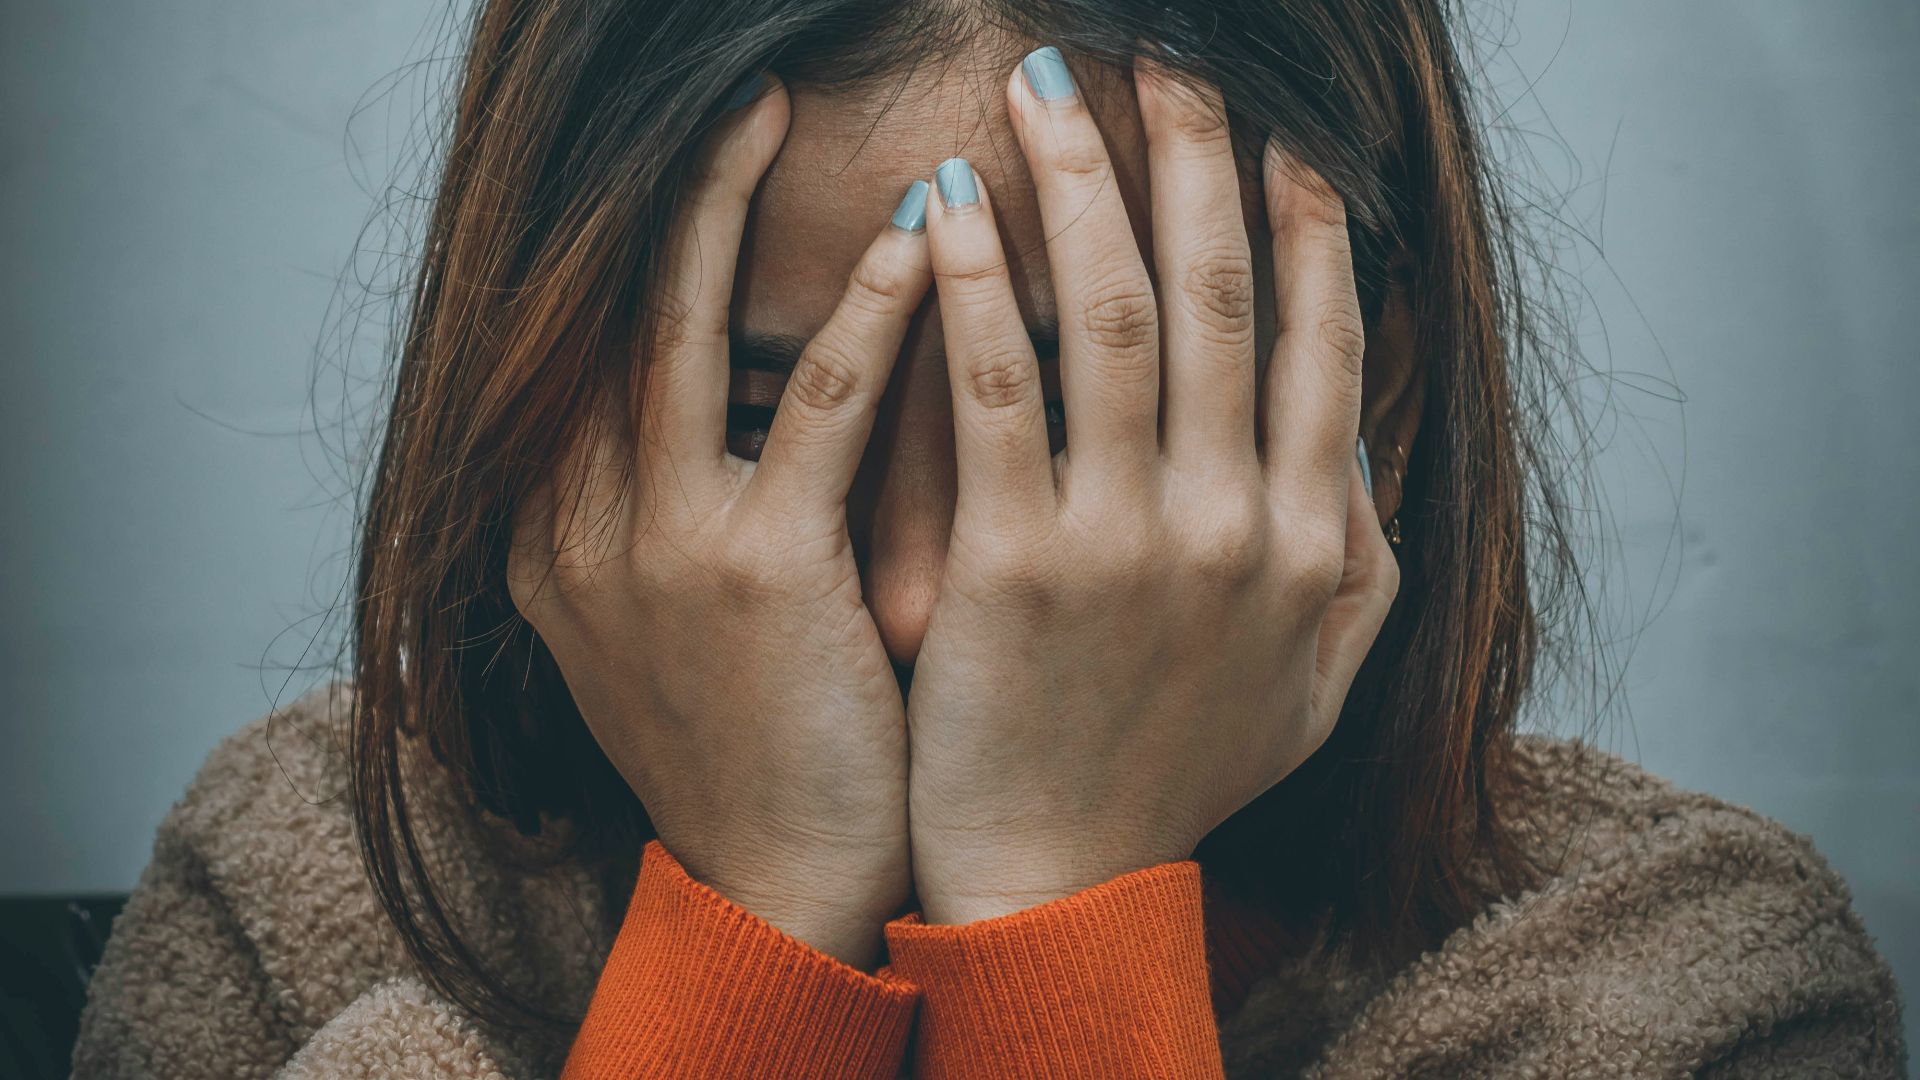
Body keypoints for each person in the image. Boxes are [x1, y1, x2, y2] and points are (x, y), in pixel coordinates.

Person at [72, 1, 1907, 1076]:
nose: (919, 589)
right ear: (538, 382)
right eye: (764, 420)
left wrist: (1050, 906)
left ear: (1371, 382)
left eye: (1090, 426)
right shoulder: (305, 899)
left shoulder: (1685, 989)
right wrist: (755, 934)